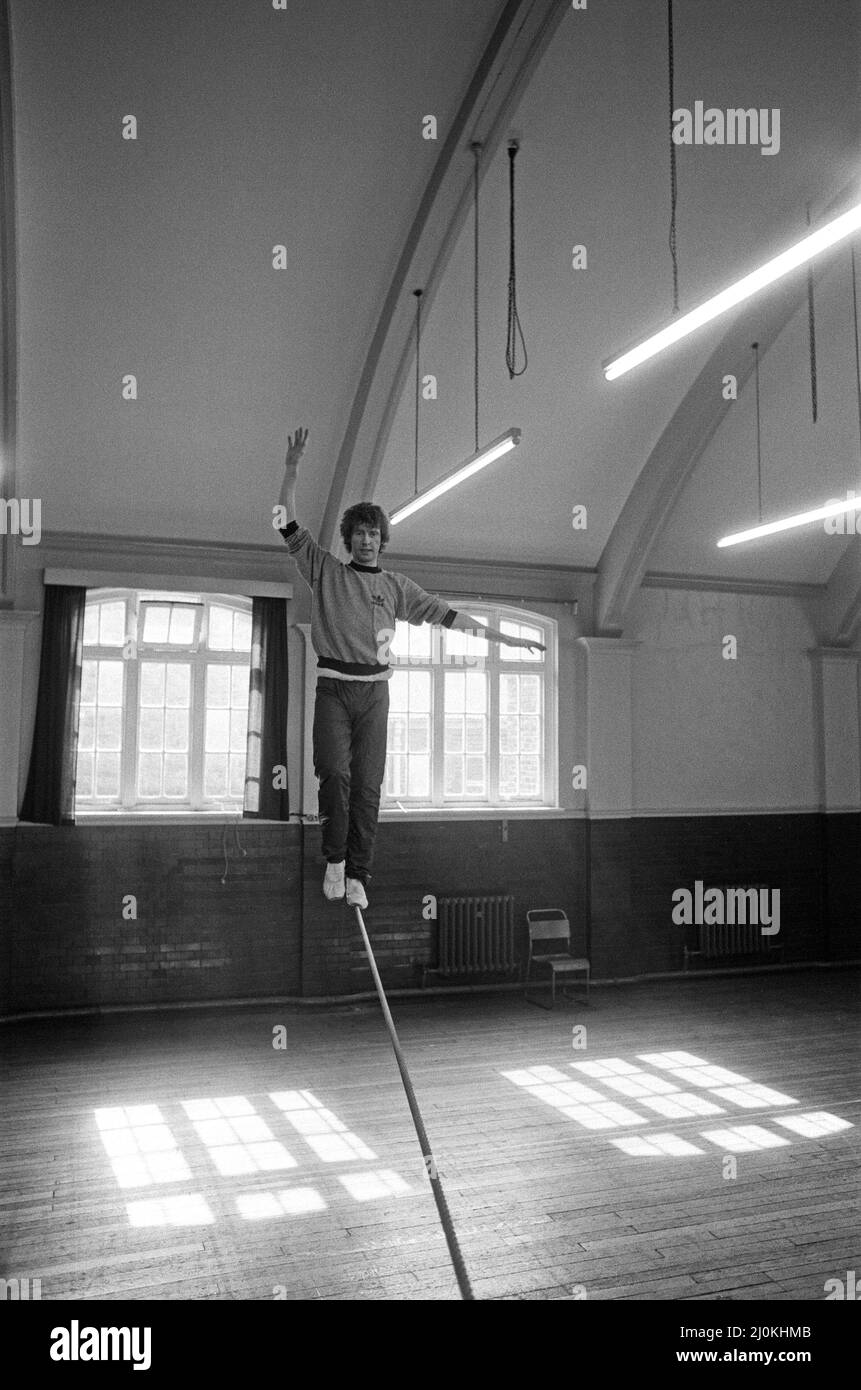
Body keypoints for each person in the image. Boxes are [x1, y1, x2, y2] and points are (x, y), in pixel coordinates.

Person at [277, 426, 545, 908]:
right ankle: (335, 860)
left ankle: (358, 874)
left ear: (382, 541)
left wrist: (504, 637)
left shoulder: (397, 587)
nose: (366, 540)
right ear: (348, 539)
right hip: (334, 689)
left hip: (375, 694)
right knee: (334, 773)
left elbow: (449, 616)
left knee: (368, 786)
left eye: (374, 534)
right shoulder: (326, 571)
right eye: (359, 533)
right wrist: (292, 469)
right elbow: (286, 523)